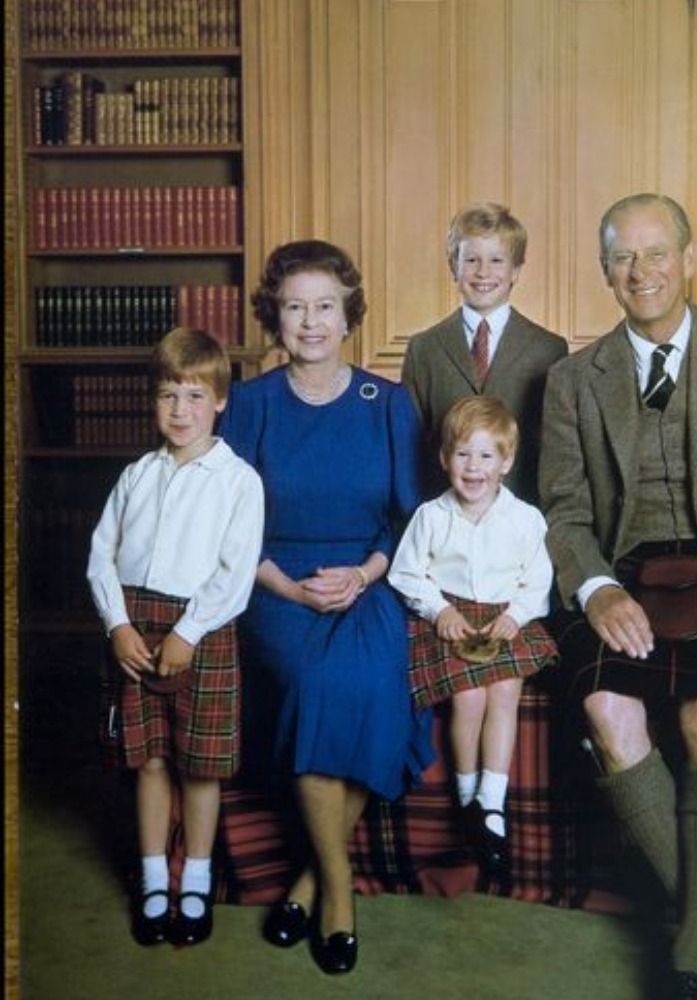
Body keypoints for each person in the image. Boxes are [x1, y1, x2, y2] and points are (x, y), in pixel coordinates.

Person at [538, 193, 697, 1000]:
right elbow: (565, 512)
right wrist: (599, 588)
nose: (641, 272)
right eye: (622, 257)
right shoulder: (574, 380)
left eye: (656, 253)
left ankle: (690, 964)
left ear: (690, 258)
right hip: (625, 571)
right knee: (608, 712)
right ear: (603, 270)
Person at [217, 240, 434, 975]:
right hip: (275, 585)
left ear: (349, 317)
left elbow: (410, 524)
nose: (310, 322)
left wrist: (367, 575)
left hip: (368, 581)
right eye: (294, 306)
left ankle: (307, 881)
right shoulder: (247, 406)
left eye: (324, 307)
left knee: (377, 684)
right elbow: (224, 531)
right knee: (316, 686)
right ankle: (339, 891)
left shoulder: (389, 403)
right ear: (274, 316)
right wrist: (285, 586)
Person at [86, 327, 265, 948]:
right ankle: (153, 881)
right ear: (153, 401)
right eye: (167, 396)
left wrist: (189, 631)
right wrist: (117, 625)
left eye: (193, 396)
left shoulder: (239, 480)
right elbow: (99, 556)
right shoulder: (138, 474)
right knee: (150, 760)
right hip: (135, 626)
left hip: (203, 629)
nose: (180, 410)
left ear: (219, 399)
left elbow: (235, 572)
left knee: (201, 766)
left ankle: (195, 882)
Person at [388, 395, 558, 877]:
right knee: (469, 698)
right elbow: (406, 574)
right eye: (462, 454)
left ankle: (492, 802)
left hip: (505, 616)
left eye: (486, 456)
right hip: (454, 615)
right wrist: (438, 609)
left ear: (506, 462)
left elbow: (537, 579)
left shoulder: (526, 519)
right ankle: (466, 798)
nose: (473, 467)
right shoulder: (431, 516)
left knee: (505, 691)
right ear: (444, 460)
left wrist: (518, 615)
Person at [401, 201, 567, 504]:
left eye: (497, 261)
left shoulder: (550, 350)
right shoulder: (423, 349)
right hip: (446, 520)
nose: (483, 272)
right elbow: (412, 449)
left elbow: (557, 451)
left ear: (516, 270)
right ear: (453, 266)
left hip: (523, 517)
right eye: (471, 260)